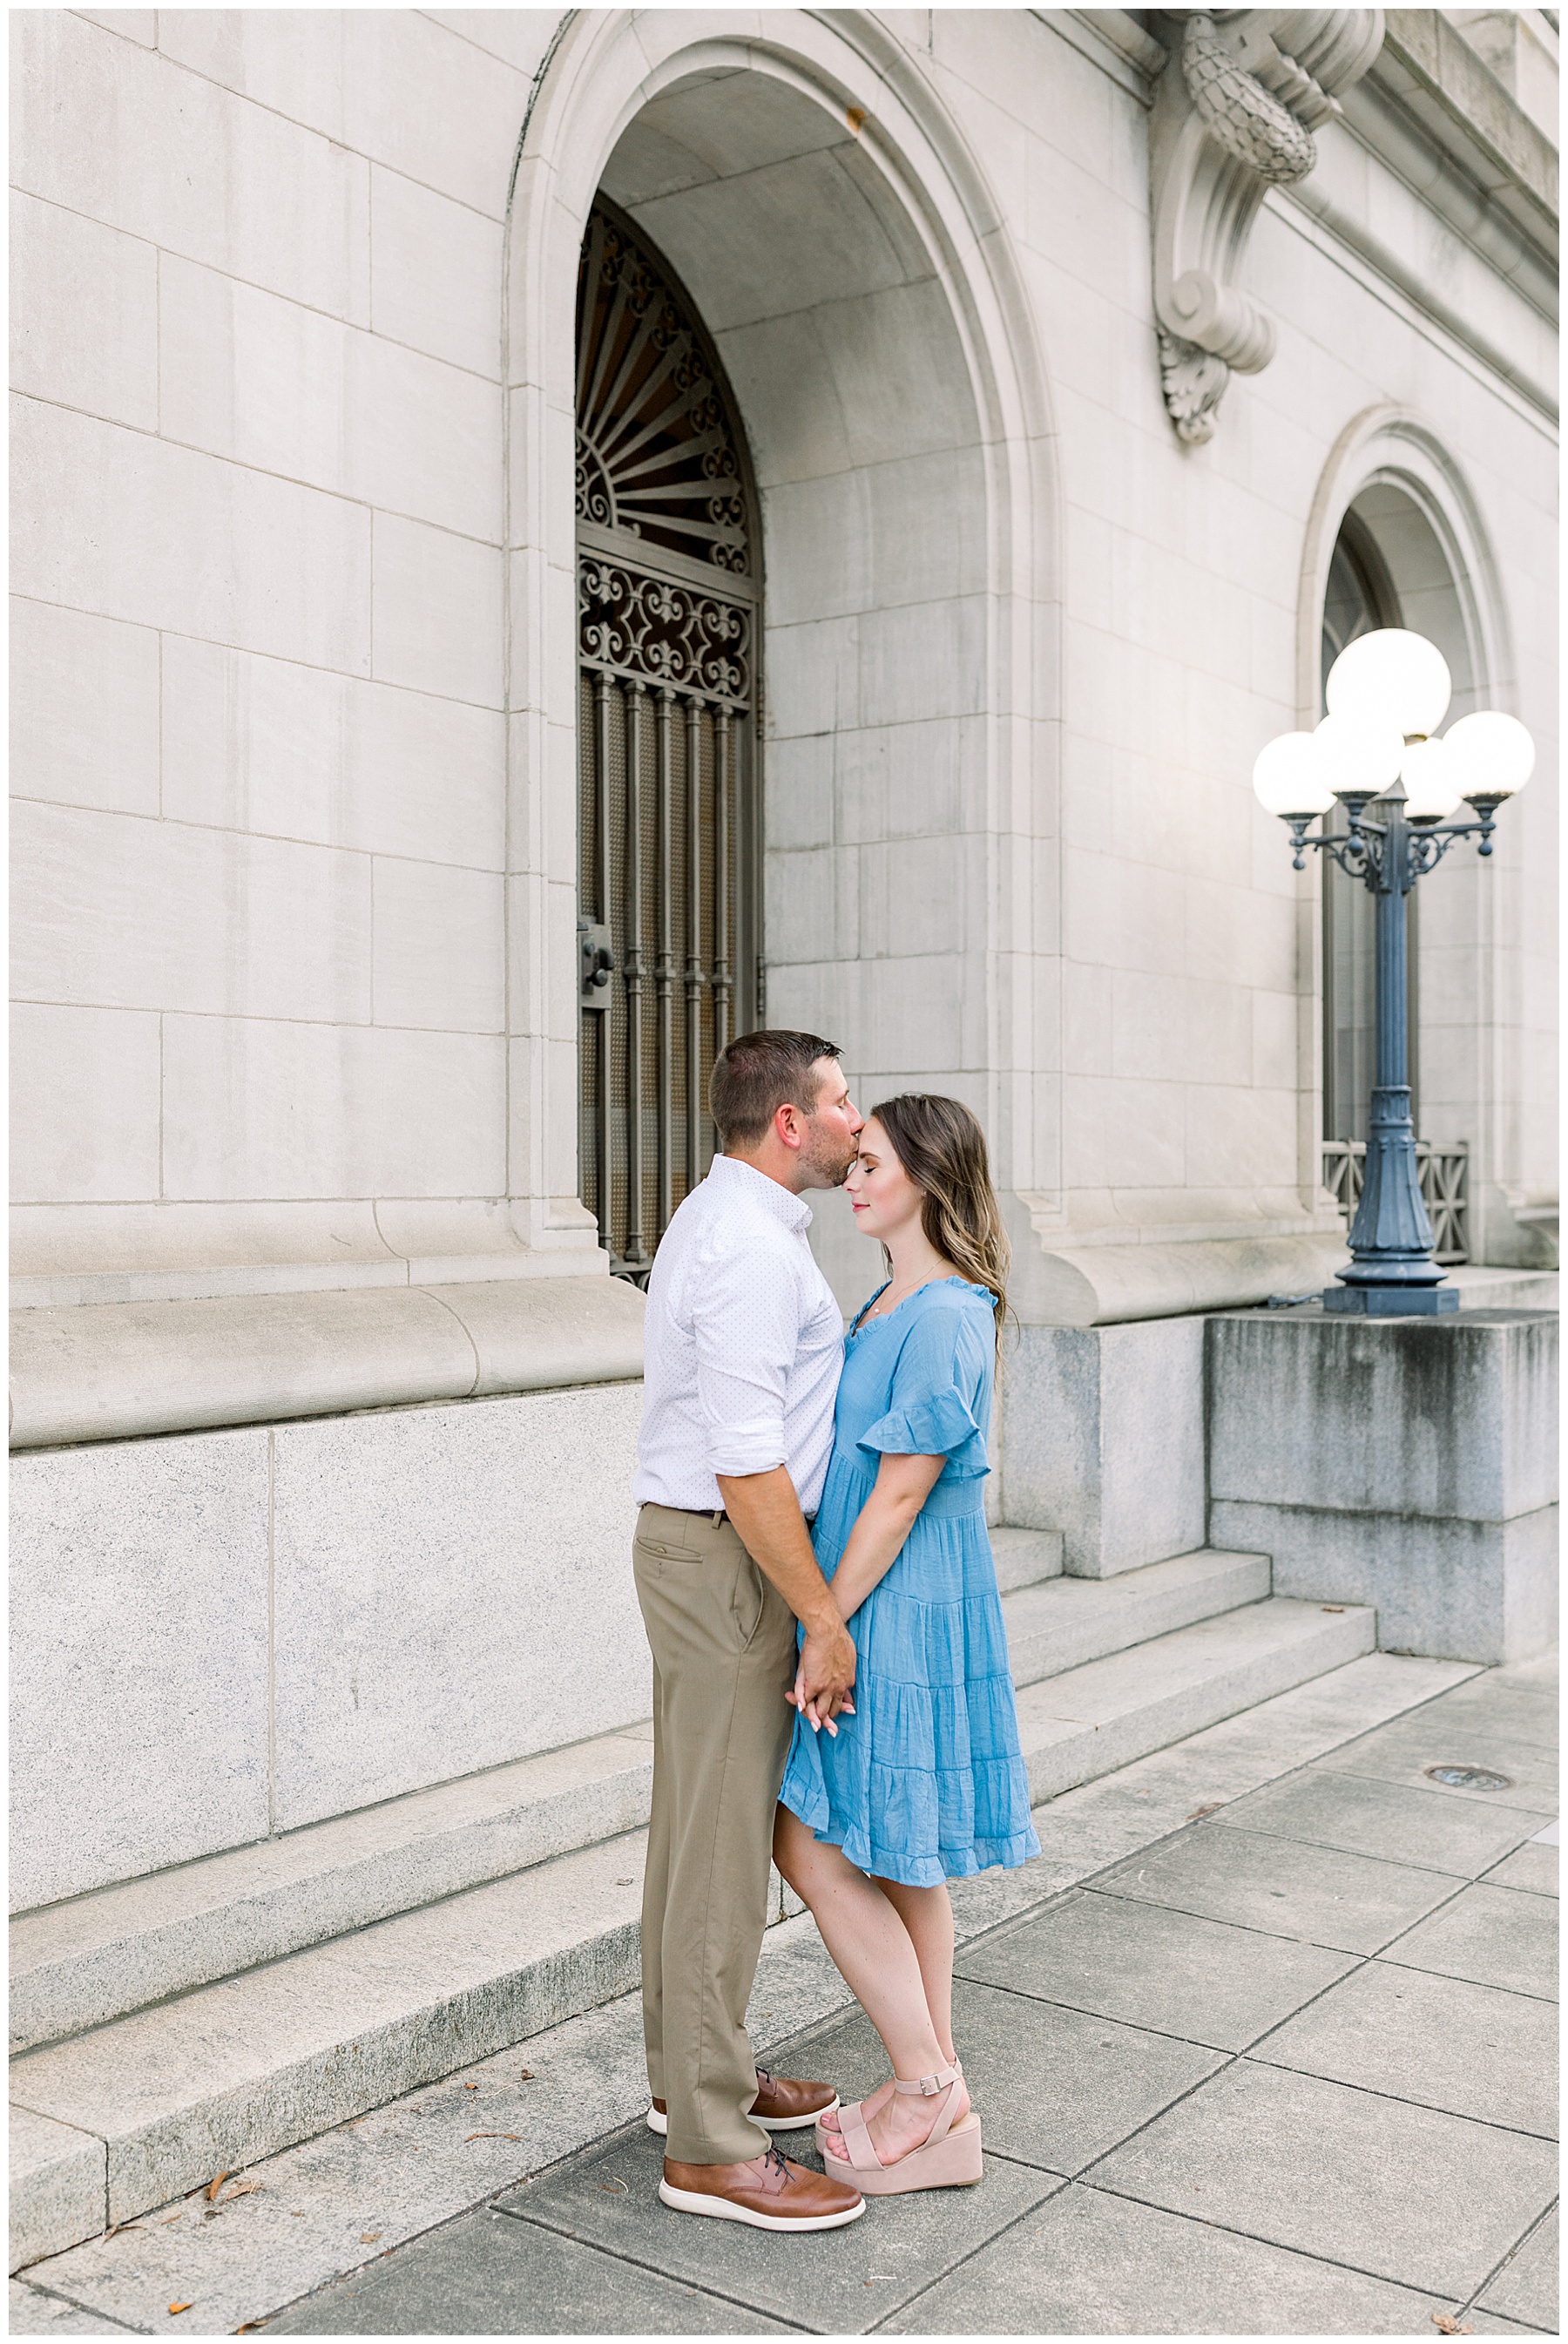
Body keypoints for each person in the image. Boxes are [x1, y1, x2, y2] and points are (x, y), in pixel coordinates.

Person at [774, 1094, 1041, 2196]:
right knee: (902, 1851)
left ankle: (928, 2084)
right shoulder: (896, 1295)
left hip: (895, 1604)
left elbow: (898, 1491)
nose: (853, 1172)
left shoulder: (942, 1312)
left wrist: (826, 1625)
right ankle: (940, 2096)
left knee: (807, 1841)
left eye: (872, 1159)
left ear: (927, 1174)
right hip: (879, 1595)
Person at [632, 1029, 868, 2232]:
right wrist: (820, 1614)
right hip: (730, 1561)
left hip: (711, 1556)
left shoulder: (732, 1222)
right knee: (720, 1849)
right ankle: (716, 2146)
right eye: (840, 1100)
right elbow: (746, 1458)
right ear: (789, 1121)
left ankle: (695, 2079)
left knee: (696, 1834)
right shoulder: (747, 1249)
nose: (854, 1120)